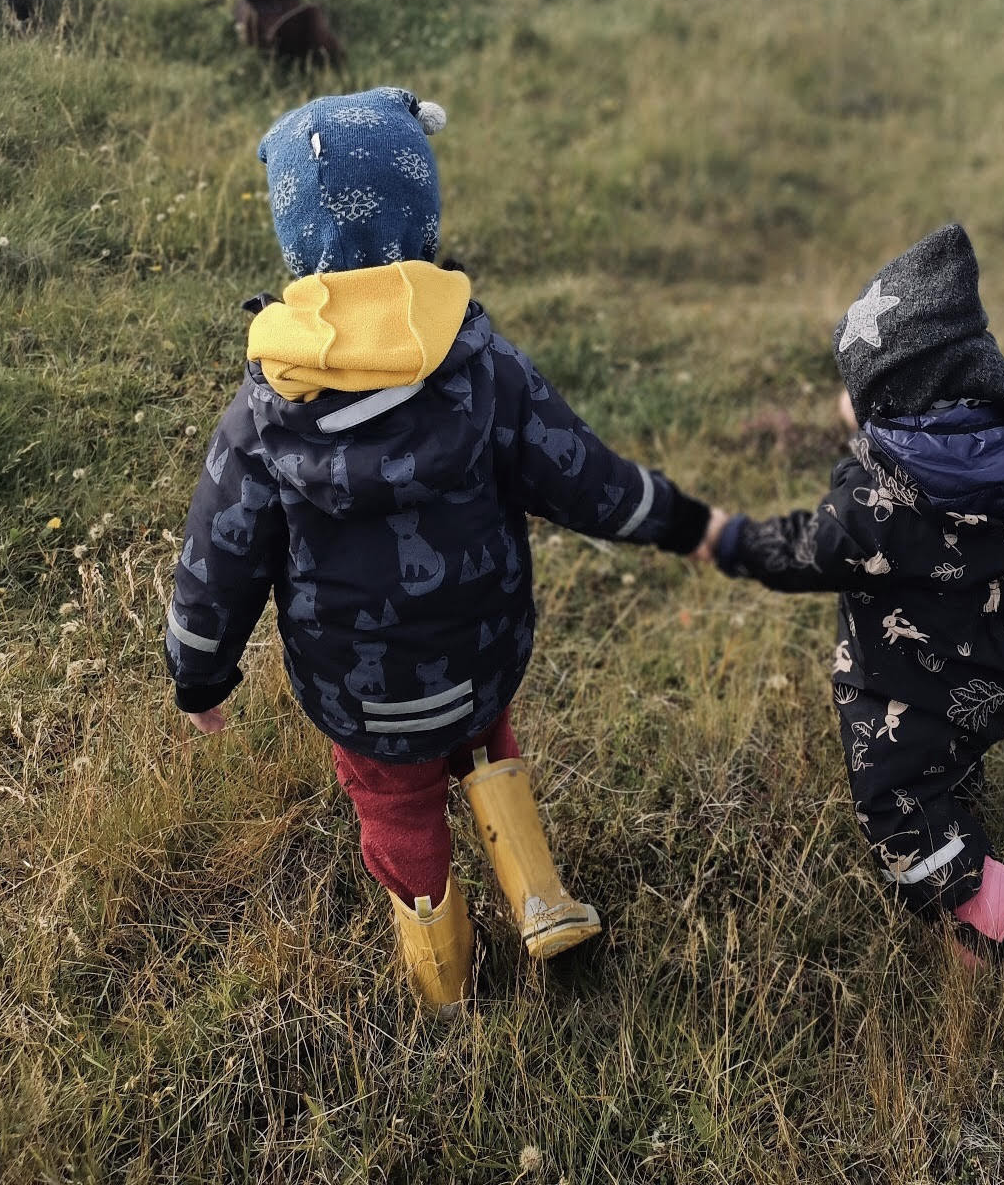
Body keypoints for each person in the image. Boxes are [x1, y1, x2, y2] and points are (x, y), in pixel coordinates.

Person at [166, 86, 709, 1011]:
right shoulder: (486, 369)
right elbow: (587, 478)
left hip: (361, 695)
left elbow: (215, 566)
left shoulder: (263, 415)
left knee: (398, 805)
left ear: (298, 245)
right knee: (483, 733)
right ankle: (537, 893)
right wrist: (677, 520)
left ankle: (443, 975)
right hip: (482, 651)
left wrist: (198, 678)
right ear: (423, 217)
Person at [699, 223, 1004, 956]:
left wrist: (729, 538)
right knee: (950, 765)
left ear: (900, 395)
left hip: (904, 689)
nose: (847, 400)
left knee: (898, 813)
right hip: (994, 661)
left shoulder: (878, 505)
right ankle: (957, 806)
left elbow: (806, 550)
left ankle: (985, 907)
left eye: (858, 387)